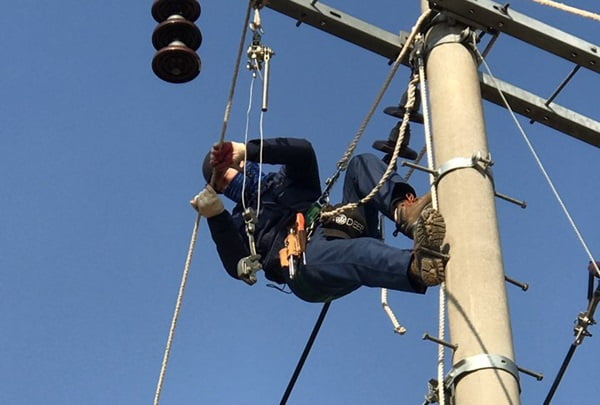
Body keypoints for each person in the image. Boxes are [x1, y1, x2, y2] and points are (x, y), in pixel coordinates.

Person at [190, 137, 448, 303]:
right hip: (304, 264)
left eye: (230, 170)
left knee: (361, 165)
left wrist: (250, 149)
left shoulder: (285, 184)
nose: (231, 179)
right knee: (360, 252)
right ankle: (417, 267)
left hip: (340, 229)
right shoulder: (240, 223)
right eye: (222, 181)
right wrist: (217, 217)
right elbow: (236, 264)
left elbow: (303, 152)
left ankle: (406, 214)